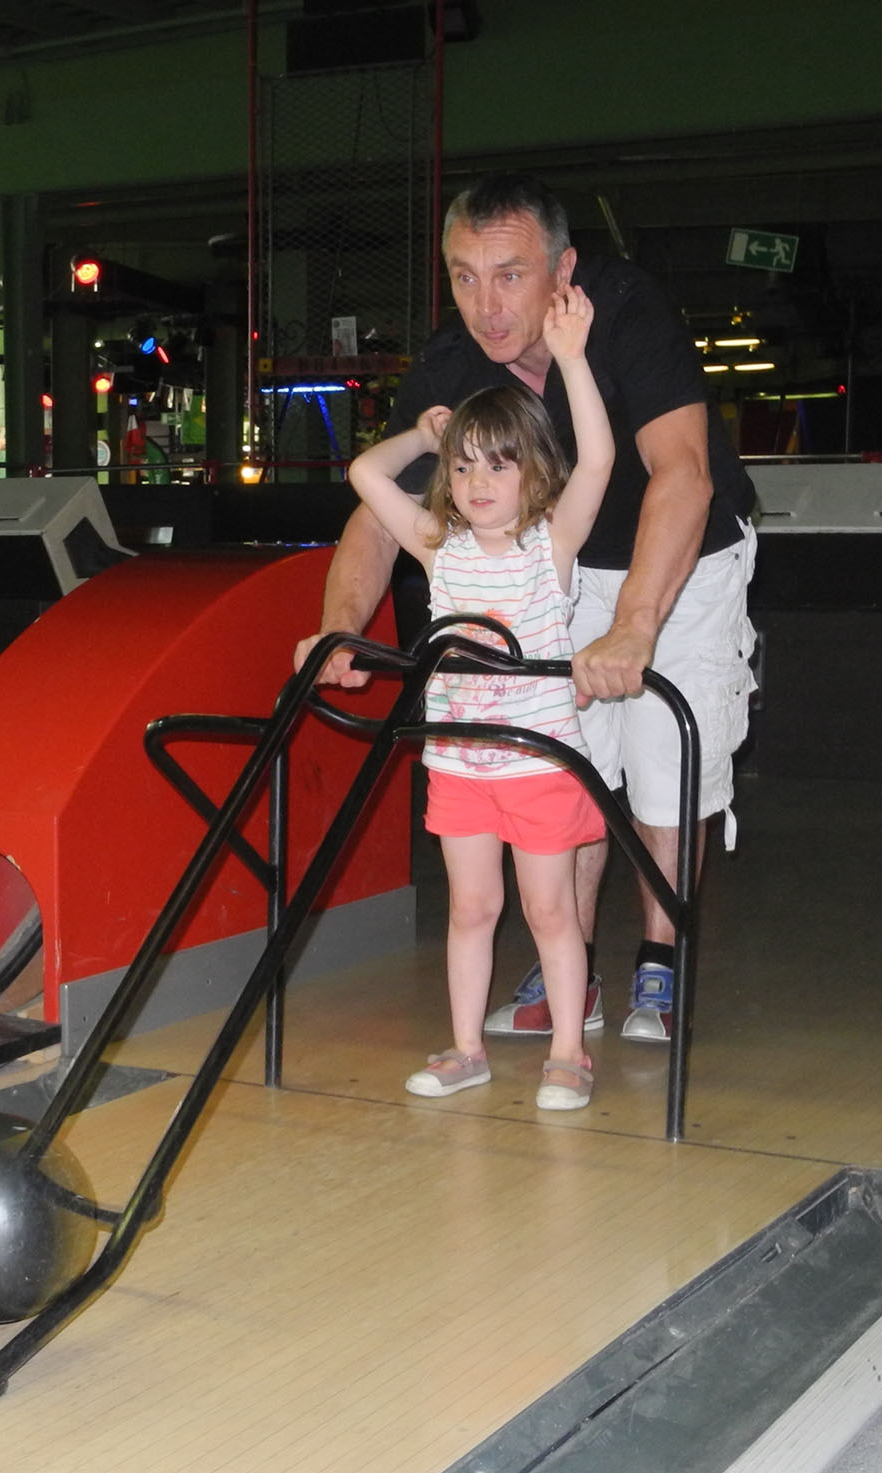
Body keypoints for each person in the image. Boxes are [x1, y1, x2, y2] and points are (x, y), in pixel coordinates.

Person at [297, 173, 758, 1045]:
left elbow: (683, 473)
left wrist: (634, 624)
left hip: (680, 552)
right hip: (549, 570)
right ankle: (568, 965)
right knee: (565, 766)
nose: (487, 305)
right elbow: (381, 514)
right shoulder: (453, 363)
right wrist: (341, 627)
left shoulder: (626, 315)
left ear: (563, 269)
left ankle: (659, 960)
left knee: (663, 762)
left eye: (510, 275)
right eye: (465, 277)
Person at [344, 284, 613, 1109]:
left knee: (549, 909)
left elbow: (598, 461)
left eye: (498, 463)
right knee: (470, 908)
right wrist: (422, 435)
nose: (477, 480)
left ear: (535, 473)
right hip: (460, 765)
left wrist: (571, 360)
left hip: (537, 765)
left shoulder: (548, 547)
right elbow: (364, 473)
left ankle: (568, 1050)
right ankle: (467, 1048)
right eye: (463, 466)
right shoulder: (441, 547)